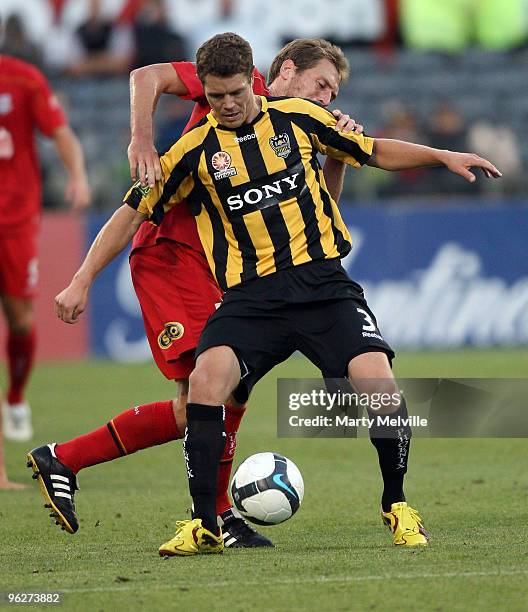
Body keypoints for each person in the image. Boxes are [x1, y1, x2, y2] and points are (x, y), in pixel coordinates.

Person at [119, 32, 498, 556]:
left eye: (234, 93)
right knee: (206, 382)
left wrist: (440, 155)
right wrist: (82, 278)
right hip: (252, 297)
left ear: (251, 81)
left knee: (378, 385)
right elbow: (134, 209)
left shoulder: (301, 120)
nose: (227, 104)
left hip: (323, 287)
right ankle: (205, 523)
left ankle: (397, 504)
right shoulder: (195, 149)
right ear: (207, 92)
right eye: (216, 96)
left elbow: (374, 151)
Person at [27, 38, 361, 547]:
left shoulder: (289, 128)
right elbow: (146, 75)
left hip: (224, 272)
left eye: (333, 94)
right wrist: (142, 141)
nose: (326, 100)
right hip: (172, 256)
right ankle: (217, 516)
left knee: (219, 393)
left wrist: (334, 154)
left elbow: (312, 226)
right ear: (286, 69)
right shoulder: (233, 85)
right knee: (216, 389)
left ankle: (67, 460)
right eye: (321, 85)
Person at [0, 29, 91, 462]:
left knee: (19, 320)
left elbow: (61, 134)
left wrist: (78, 176)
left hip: (15, 220)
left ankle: (16, 396)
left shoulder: (21, 79)